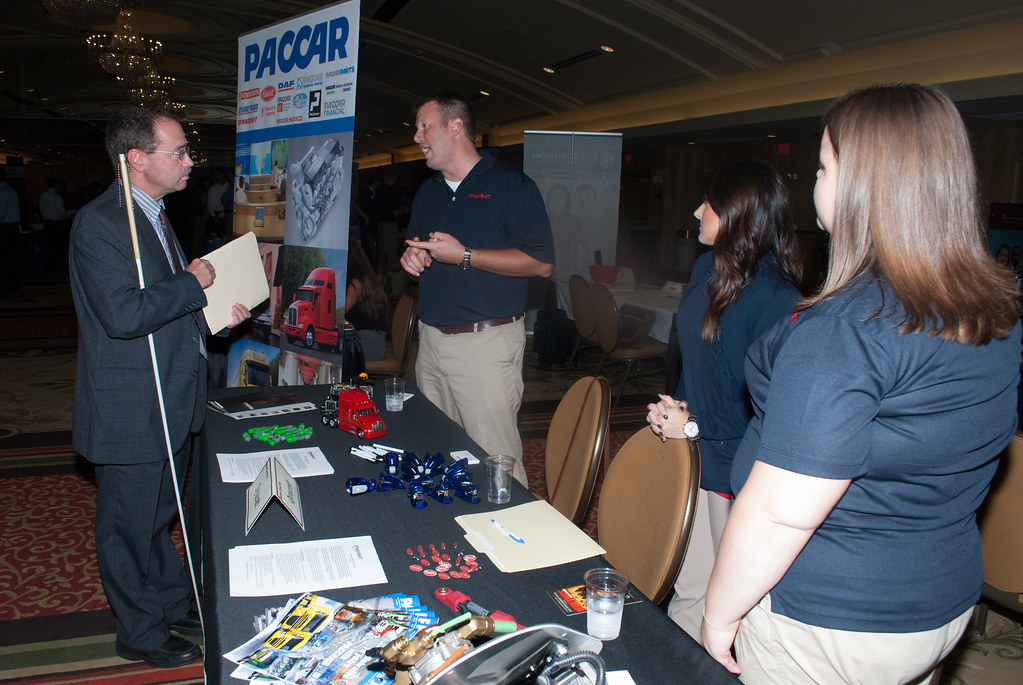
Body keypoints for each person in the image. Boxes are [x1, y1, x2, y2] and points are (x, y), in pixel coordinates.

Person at [701, 83, 1022, 683]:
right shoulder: (996, 312)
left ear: (860, 184)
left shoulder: (845, 329)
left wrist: (720, 614)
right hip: (937, 608)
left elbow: (779, 512)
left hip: (827, 620)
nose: (815, 182)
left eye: (823, 167)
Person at [69, 106, 249, 669]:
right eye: (179, 152)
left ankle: (171, 601)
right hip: (132, 405)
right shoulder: (100, 223)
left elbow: (166, 302)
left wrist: (211, 312)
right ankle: (140, 631)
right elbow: (122, 314)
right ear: (137, 160)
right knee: (128, 525)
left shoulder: (155, 213)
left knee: (156, 516)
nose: (190, 161)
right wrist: (192, 285)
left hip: (171, 393)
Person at [645, 160, 803, 640]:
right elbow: (695, 362)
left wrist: (694, 425)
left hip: (737, 469)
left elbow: (769, 408)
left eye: (707, 203)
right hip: (695, 454)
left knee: (735, 603)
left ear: (736, 212)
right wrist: (678, 410)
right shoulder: (705, 267)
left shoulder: (778, 297)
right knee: (690, 587)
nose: (696, 211)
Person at [401, 92, 555, 485]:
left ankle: (518, 541)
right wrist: (414, 259)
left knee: (496, 463)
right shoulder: (428, 191)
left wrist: (465, 254)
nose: (417, 136)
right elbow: (418, 250)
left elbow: (540, 262)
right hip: (431, 343)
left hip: (484, 346)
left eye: (424, 126)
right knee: (437, 453)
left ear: (455, 128)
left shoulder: (511, 185)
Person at [345, 237, 389, 361]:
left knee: (325, 351)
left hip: (368, 343)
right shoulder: (364, 277)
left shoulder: (357, 283)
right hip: (359, 338)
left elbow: (338, 313)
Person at [0, 168, 22, 295]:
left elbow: (1, 213)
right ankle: (14, 286)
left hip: (5, 228)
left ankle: (7, 287)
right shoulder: (11, 191)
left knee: (5, 259)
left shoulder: (2, 193)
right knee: (13, 258)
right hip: (12, 228)